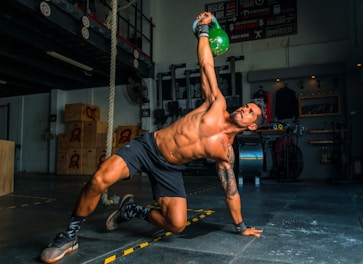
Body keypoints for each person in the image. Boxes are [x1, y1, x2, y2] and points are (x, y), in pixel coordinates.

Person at [40, 11, 264, 264]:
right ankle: (69, 235)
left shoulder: (226, 152)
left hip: (170, 169)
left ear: (253, 126)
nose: (244, 109)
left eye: (250, 112)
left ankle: (132, 209)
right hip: (147, 148)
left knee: (177, 225)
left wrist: (241, 226)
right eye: (246, 106)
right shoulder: (216, 103)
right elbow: (206, 64)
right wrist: (203, 30)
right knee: (99, 178)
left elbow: (231, 192)